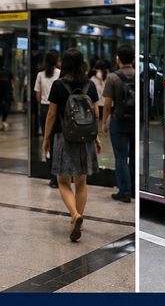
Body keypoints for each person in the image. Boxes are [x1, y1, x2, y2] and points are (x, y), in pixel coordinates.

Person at [43, 48, 101, 242]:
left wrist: (46, 138)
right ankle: (77, 220)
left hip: (63, 137)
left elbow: (51, 114)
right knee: (82, 182)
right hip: (86, 139)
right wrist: (97, 137)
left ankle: (75, 215)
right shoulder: (90, 85)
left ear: (65, 64)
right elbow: (96, 115)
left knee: (63, 181)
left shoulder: (58, 85)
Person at [103, 44, 135, 203]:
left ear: (118, 59)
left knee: (121, 157)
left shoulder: (112, 77)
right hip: (135, 121)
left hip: (119, 120)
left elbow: (107, 104)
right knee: (134, 156)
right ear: (133, 59)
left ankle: (124, 191)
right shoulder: (139, 75)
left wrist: (104, 122)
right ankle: (134, 189)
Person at [34, 50, 60, 188]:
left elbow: (37, 96)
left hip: (45, 109)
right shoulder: (60, 73)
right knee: (57, 142)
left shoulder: (40, 75)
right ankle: (57, 175)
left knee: (48, 141)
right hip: (56, 109)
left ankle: (52, 174)